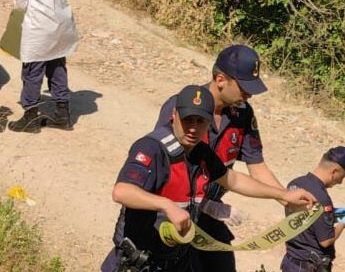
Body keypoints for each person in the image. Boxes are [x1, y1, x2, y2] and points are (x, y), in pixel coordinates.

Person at [103, 85, 316, 272]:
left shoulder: (200, 152)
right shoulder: (152, 148)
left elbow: (233, 179)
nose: (193, 128)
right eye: (188, 120)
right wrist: (167, 205)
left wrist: (285, 195)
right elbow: (122, 191)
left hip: (176, 260)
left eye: (200, 121)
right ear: (174, 115)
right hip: (139, 261)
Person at [154, 44, 284, 271]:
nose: (249, 94)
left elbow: (257, 167)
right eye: (244, 87)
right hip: (175, 212)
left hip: (209, 216)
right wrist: (207, 206)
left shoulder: (242, 113)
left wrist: (288, 199)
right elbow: (168, 173)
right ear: (221, 79)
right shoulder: (183, 108)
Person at [5, 0, 79, 132]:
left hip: (39, 25)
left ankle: (30, 117)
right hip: (61, 21)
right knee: (57, 65)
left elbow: (21, 2)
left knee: (32, 70)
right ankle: (63, 115)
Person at [281, 147, 345, 272]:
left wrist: (336, 212)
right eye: (342, 176)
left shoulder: (295, 184)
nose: (341, 182)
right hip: (310, 266)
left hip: (291, 261)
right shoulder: (321, 197)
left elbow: (310, 218)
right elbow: (326, 241)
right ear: (335, 171)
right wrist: (342, 223)